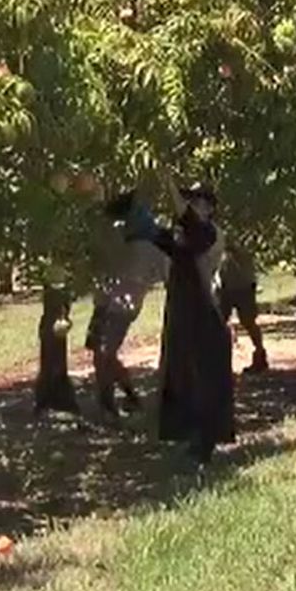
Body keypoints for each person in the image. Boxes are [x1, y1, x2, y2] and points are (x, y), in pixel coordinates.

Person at [128, 181, 233, 465]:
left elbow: (187, 226)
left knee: (203, 381)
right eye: (191, 201)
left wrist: (169, 183)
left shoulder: (209, 233)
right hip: (182, 314)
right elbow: (155, 234)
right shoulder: (185, 237)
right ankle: (190, 439)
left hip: (205, 314)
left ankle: (204, 444)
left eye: (198, 202)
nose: (191, 207)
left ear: (210, 208)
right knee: (182, 376)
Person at [86, 190, 168, 418]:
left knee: (105, 352)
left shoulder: (150, 244)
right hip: (105, 299)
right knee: (100, 353)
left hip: (123, 305)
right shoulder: (119, 235)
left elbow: (167, 275)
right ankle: (121, 398)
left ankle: (111, 403)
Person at [218, 240, 269, 374]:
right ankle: (220, 359)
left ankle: (260, 355)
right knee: (219, 321)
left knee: (248, 321)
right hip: (226, 284)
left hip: (244, 283)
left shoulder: (244, 230)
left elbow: (248, 249)